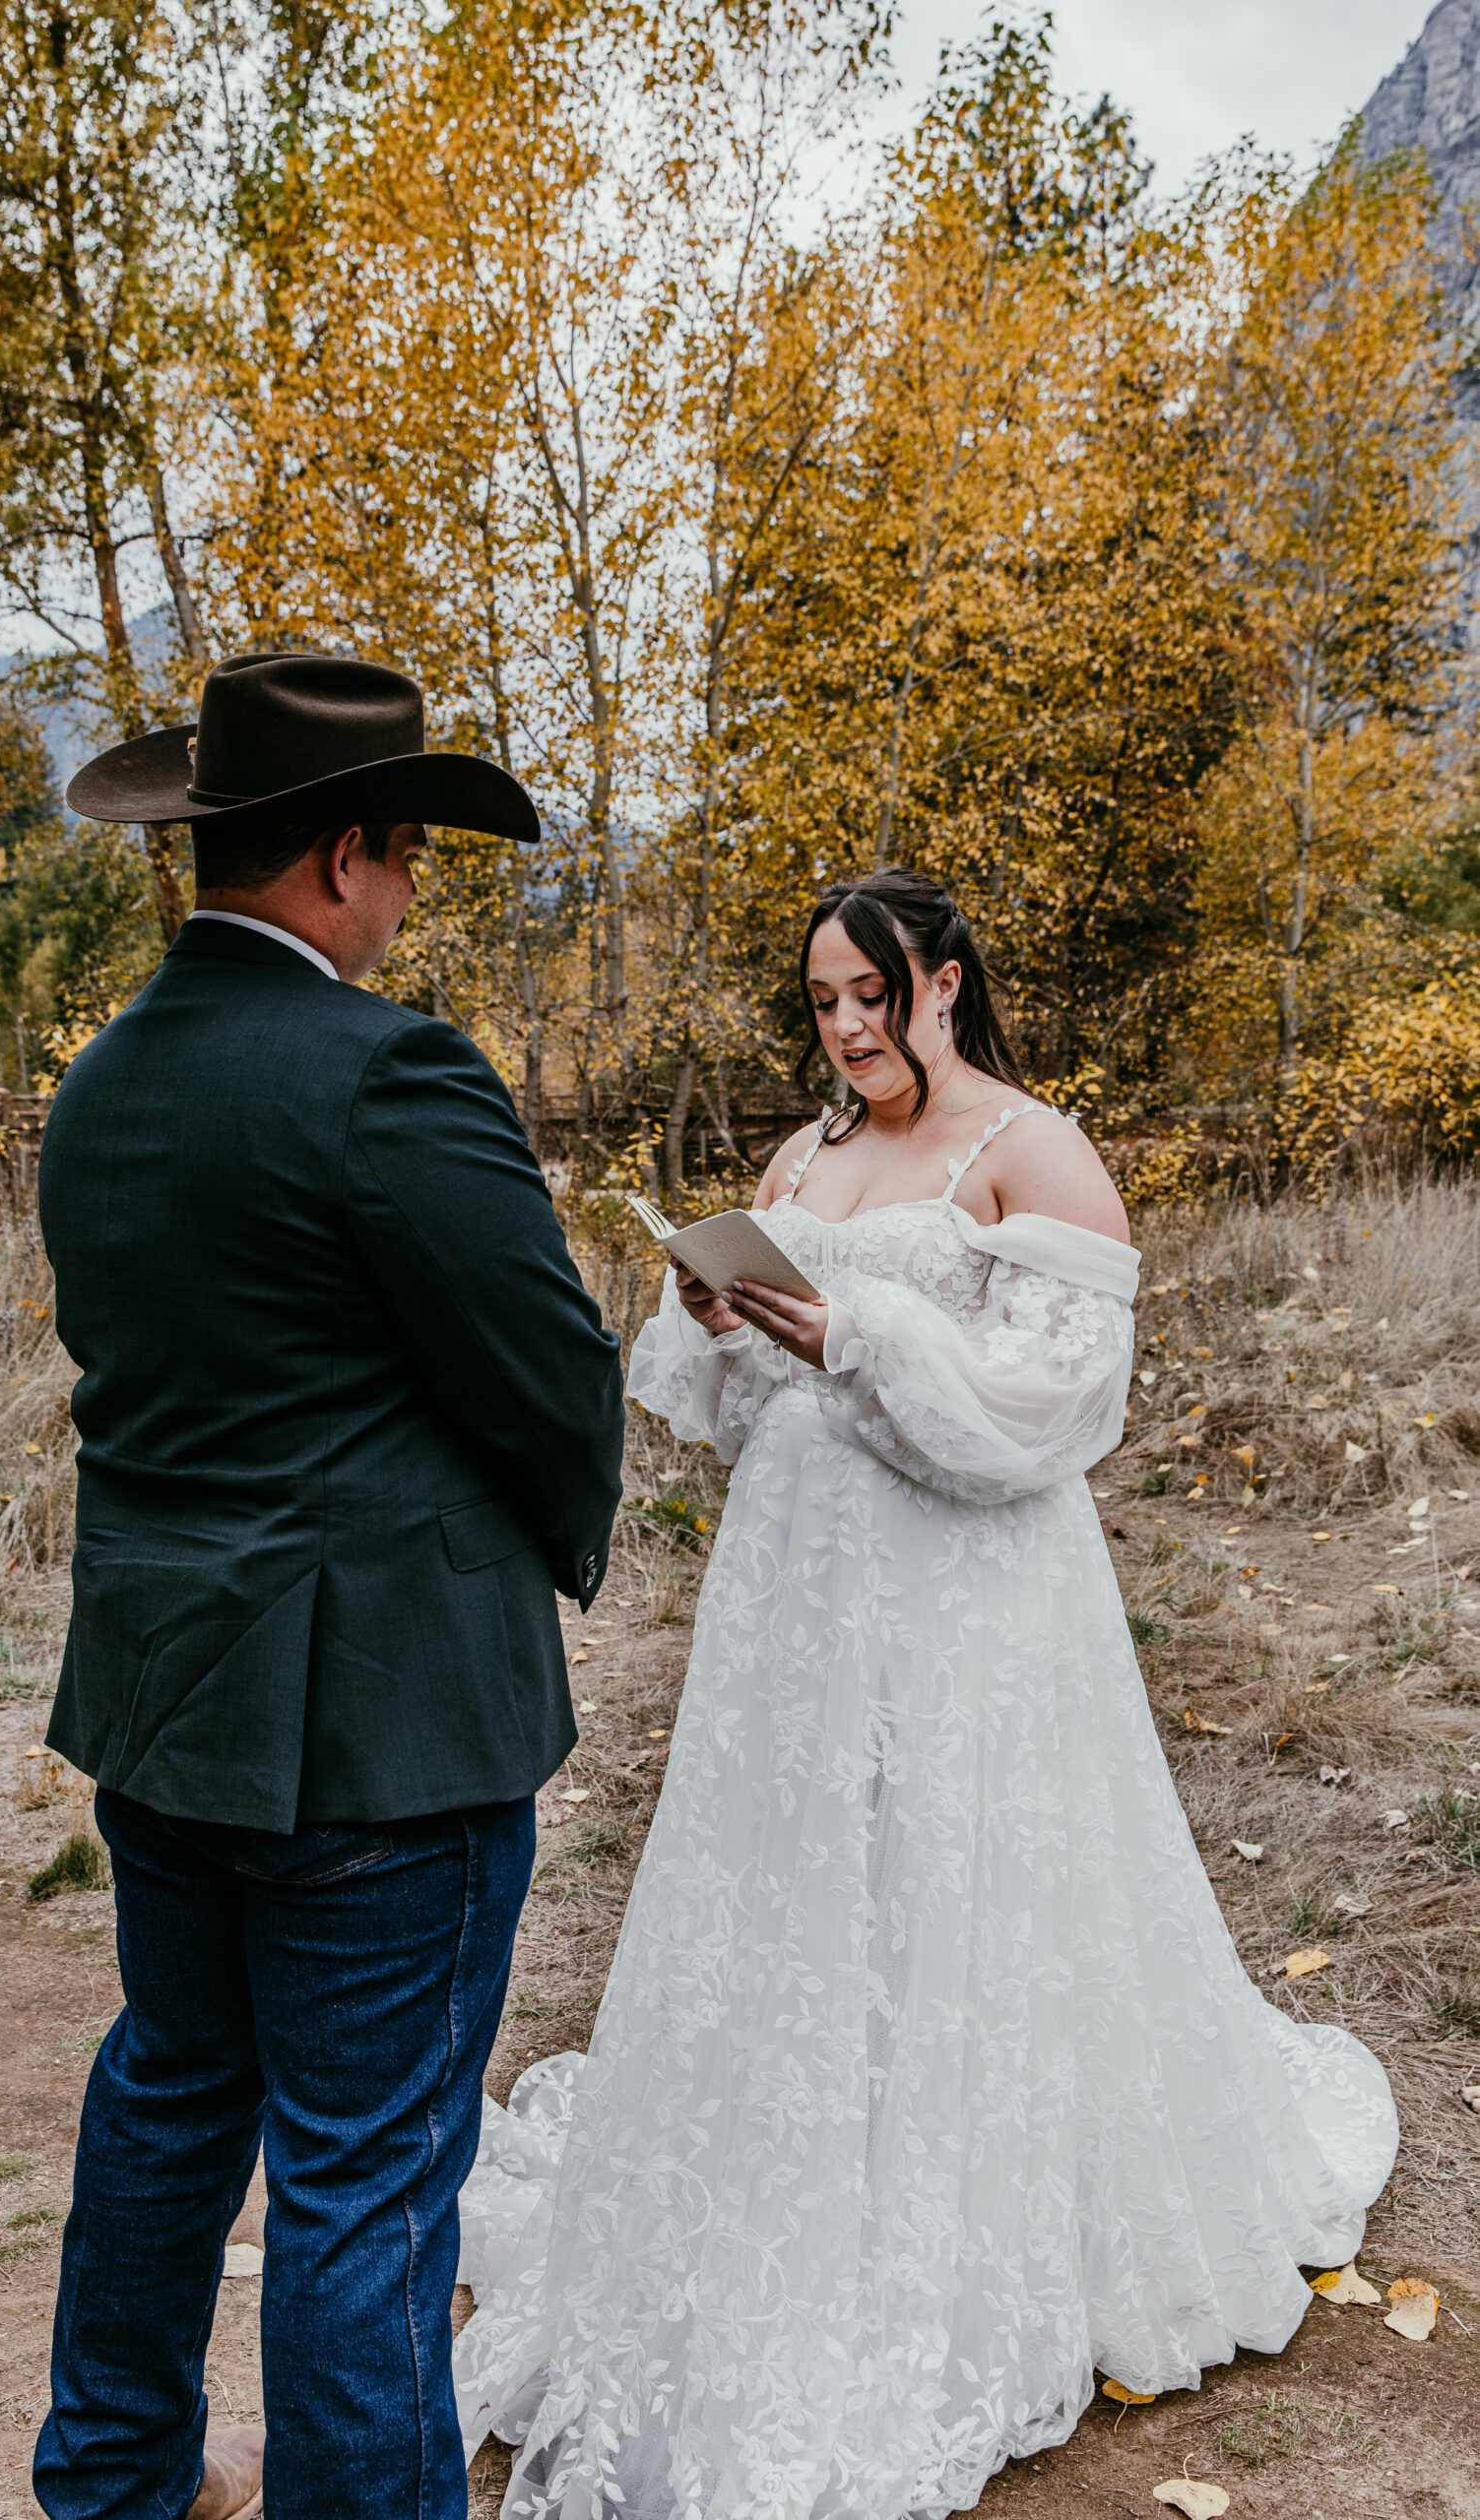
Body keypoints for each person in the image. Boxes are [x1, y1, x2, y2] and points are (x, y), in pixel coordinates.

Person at [454, 868, 1397, 2520]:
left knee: (960, 1873)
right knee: (800, 1878)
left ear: (943, 984)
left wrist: (853, 1341)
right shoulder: (802, 1157)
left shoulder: (1030, 1148)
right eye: (822, 1002)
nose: (845, 1030)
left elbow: (1054, 1411)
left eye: (872, 998)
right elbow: (735, 1412)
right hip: (796, 1592)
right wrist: (721, 1316)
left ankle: (978, 2212)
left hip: (972, 1600)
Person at [33, 652, 627, 2520]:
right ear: (345, 859)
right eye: (409, 860)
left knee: (171, 2094)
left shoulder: (100, 1086)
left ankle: (115, 2480)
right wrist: (539, 1535)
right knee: (369, 2176)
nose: (410, 898)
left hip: (165, 1702)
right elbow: (548, 1375)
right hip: (382, 1726)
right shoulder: (390, 1074)